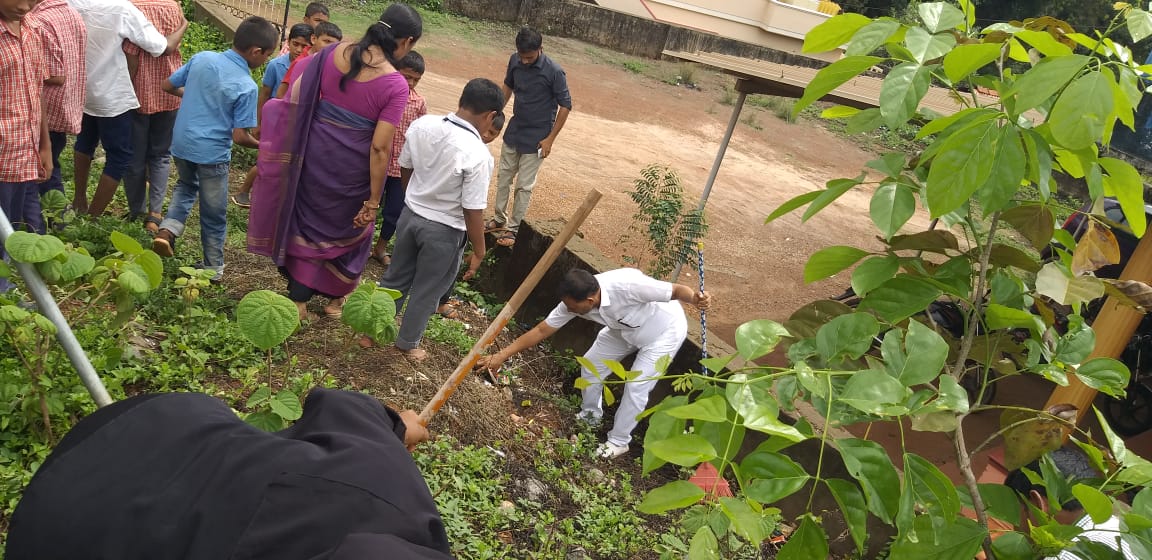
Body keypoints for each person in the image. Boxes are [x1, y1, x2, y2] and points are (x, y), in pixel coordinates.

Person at [4, 388, 453, 559]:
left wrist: (394, 428)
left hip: (122, 451)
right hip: (67, 515)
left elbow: (345, 406)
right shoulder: (392, 498)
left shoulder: (391, 490)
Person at [247, 4, 421, 320]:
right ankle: (299, 303)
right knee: (342, 234)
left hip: (310, 155)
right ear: (406, 42)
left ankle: (310, 295)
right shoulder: (395, 84)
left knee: (305, 221)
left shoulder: (332, 53)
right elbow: (380, 149)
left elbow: (298, 94)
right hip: (350, 172)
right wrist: (373, 199)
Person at [478, 268, 711, 458]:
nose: (568, 311)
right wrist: (501, 356)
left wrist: (696, 298)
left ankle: (619, 442)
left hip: (663, 332)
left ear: (590, 300)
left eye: (572, 308)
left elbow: (678, 290)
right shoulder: (574, 300)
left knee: (637, 385)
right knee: (591, 364)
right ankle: (591, 416)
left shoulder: (628, 287)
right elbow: (541, 330)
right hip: (623, 329)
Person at [375, 78, 505, 361]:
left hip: (410, 216)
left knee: (395, 277)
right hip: (445, 231)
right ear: (491, 115)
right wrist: (479, 250)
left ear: (462, 99)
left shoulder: (423, 125)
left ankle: (370, 331)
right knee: (427, 289)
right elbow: (472, 209)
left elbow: (405, 168)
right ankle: (407, 343)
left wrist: (416, 198)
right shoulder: (479, 154)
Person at [151, 16, 277, 282]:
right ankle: (213, 268)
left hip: (182, 144)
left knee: (186, 185)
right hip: (212, 154)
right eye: (266, 55)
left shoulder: (202, 58)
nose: (265, 61)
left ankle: (167, 230)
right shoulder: (246, 85)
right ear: (256, 51)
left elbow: (167, 85)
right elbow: (240, 136)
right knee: (213, 213)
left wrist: (197, 96)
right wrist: (264, 147)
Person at [70, 0, 186, 217]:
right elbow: (164, 47)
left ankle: (80, 201)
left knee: (85, 143)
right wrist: (184, 25)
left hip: (85, 86)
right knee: (126, 155)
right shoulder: (126, 9)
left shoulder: (74, 2)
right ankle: (97, 215)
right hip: (120, 94)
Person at [485, 26, 572, 248]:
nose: (524, 61)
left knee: (524, 186)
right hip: (515, 130)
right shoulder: (515, 60)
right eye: (522, 56)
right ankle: (498, 219)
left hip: (538, 137)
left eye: (529, 57)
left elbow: (565, 106)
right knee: (503, 177)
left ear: (540, 50)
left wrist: (550, 139)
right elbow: (508, 86)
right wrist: (496, 113)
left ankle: (513, 230)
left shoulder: (554, 72)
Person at [230, 22, 313, 208]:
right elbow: (265, 94)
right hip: (275, 120)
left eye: (304, 45)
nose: (299, 49)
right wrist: (258, 123)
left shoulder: (310, 66)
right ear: (288, 43)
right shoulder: (276, 65)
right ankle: (243, 191)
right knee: (267, 159)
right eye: (295, 44)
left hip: (295, 122)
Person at [1001, 447, 1138, 559]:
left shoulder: (1067, 555)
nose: (1015, 528)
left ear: (1038, 504)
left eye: (1015, 518)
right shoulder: (1120, 526)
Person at [0, 0, 52, 292]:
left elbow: (37, 90)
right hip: (3, 151)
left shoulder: (34, 28)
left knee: (10, 230)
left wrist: (44, 146)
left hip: (24, 151)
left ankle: (3, 293)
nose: (25, 6)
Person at [123, 0, 186, 233]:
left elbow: (131, 54)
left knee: (135, 158)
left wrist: (126, 89)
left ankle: (136, 209)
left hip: (138, 92)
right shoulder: (173, 7)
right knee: (161, 156)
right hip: (170, 91)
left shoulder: (132, 8)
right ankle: (155, 213)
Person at [26, 0, 85, 233]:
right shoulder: (69, 11)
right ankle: (60, 223)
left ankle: (55, 224)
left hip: (46, 110)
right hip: (65, 106)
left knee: (43, 171)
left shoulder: (40, 21)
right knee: (51, 166)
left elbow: (55, 75)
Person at [370, 50, 428, 266]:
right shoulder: (383, 93)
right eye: (407, 77)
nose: (411, 83)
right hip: (376, 161)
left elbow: (421, 134)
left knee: (394, 210)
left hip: (400, 168)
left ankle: (380, 247)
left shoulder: (419, 103)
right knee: (368, 202)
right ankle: (359, 244)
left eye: (416, 79)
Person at [273, 20, 343, 99]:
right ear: (313, 39)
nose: (330, 47)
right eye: (327, 41)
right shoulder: (300, 63)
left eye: (334, 45)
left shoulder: (328, 62)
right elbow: (281, 93)